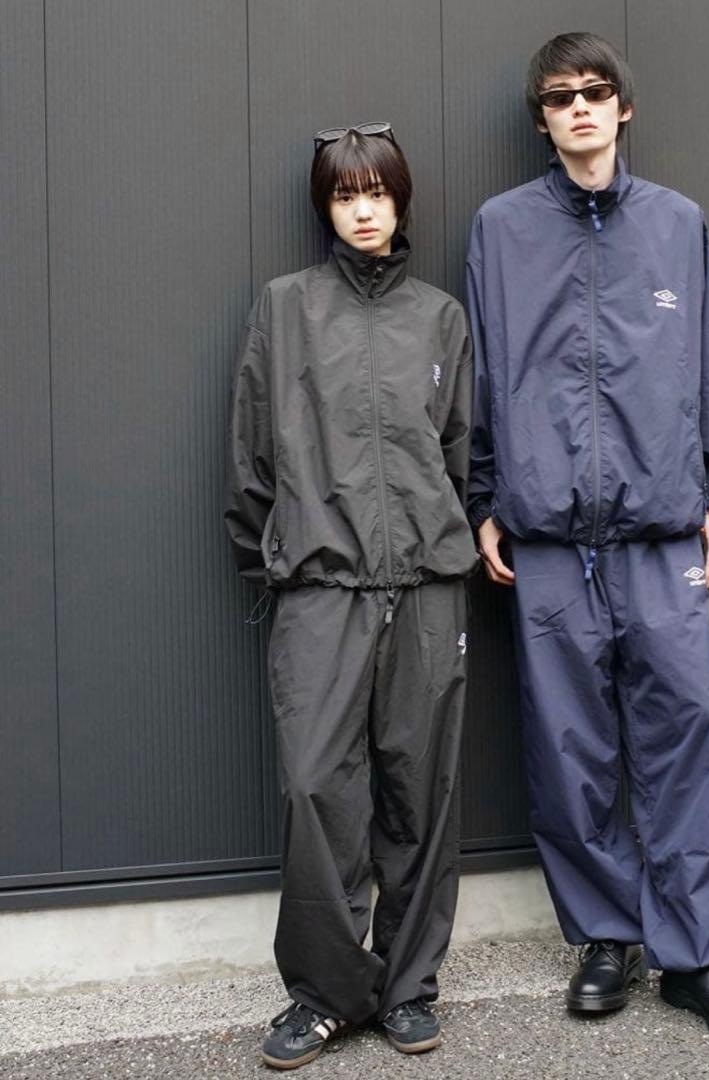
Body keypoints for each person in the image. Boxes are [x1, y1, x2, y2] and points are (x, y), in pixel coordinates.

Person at [466, 33, 709, 1047]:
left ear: (623, 107)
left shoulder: (676, 224)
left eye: (596, 92)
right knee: (570, 750)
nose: (580, 108)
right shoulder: (501, 230)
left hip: (657, 534)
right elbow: (482, 374)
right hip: (548, 538)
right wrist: (484, 498)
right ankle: (606, 938)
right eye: (560, 96)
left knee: (686, 736)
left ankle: (699, 958)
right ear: (542, 118)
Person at [225, 123, 477, 1069]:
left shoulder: (441, 318)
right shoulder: (285, 307)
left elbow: (462, 453)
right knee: (315, 789)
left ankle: (409, 989)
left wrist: (443, 546)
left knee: (421, 789)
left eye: (377, 192)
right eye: (344, 195)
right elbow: (250, 455)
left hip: (427, 589)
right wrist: (279, 559)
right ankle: (328, 994)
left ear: (400, 200)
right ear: (325, 208)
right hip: (320, 589)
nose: (363, 210)